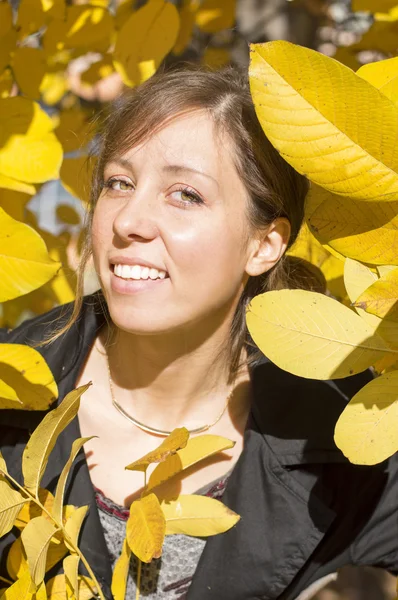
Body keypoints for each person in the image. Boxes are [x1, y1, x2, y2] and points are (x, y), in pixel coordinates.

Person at [0, 64, 397, 600]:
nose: (127, 220)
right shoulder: (11, 389)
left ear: (265, 245)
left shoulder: (338, 431)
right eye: (119, 182)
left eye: (185, 194)